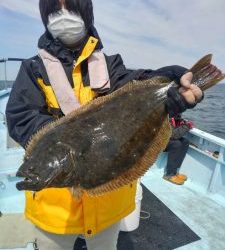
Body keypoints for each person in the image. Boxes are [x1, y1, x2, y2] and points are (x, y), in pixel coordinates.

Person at [5, 0, 203, 249]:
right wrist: (61, 144)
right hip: (55, 210)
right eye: (55, 12)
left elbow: (135, 82)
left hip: (108, 206)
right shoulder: (33, 68)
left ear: (86, 15)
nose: (63, 18)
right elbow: (21, 117)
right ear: (45, 18)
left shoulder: (109, 65)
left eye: (72, 10)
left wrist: (170, 79)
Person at [163, 114, 194, 185]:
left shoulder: (175, 115)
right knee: (176, 144)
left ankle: (175, 171)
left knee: (185, 142)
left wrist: (182, 123)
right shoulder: (166, 117)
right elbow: (173, 135)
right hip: (159, 143)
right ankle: (169, 174)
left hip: (167, 140)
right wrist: (187, 126)